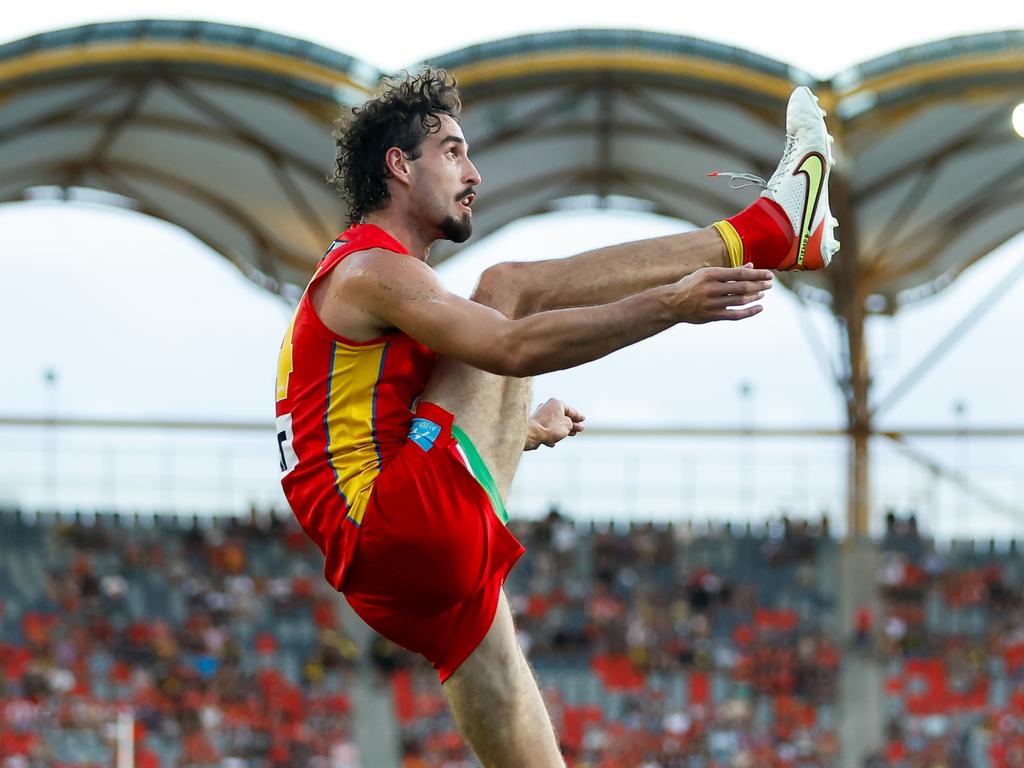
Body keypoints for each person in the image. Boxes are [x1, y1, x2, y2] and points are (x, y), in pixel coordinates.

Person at [274, 67, 837, 767]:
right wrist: (670, 305)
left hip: (383, 569)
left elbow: (404, 415)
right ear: (399, 165)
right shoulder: (369, 268)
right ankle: (767, 231)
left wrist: (520, 429)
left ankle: (775, 231)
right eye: (451, 152)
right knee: (506, 289)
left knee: (502, 684)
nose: (472, 173)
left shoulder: (374, 286)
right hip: (397, 527)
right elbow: (509, 346)